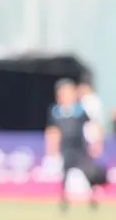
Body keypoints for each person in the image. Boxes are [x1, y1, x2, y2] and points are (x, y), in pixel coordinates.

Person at [45, 79, 105, 211]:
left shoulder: (79, 110)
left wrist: (96, 142)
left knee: (87, 172)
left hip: (80, 147)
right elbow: (52, 131)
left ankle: (93, 197)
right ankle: (64, 200)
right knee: (65, 174)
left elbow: (93, 124)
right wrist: (51, 148)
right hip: (65, 148)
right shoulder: (56, 111)